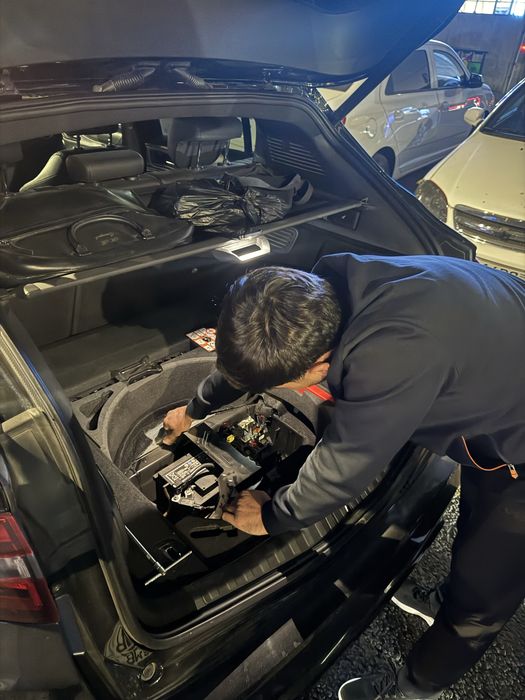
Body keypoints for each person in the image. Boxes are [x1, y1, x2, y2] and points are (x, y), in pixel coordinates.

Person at [162, 253, 525, 700]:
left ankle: (416, 687)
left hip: (518, 437)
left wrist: (272, 516)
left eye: (282, 384)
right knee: (475, 525)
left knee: (486, 580)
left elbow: (341, 469)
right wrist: (195, 409)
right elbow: (252, 359)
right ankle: (444, 597)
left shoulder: (392, 355)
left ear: (319, 365)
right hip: (494, 358)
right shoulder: (314, 292)